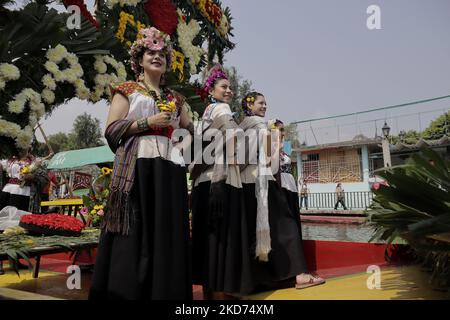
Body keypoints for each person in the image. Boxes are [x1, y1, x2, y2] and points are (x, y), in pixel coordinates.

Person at [88, 27, 192, 300]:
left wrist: (183, 141)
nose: (156, 57)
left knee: (167, 231)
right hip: (138, 167)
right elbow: (111, 130)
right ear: (139, 59)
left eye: (162, 54)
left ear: (168, 62)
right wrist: (148, 122)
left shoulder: (177, 99)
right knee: (135, 229)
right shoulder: (127, 90)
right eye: (150, 52)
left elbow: (190, 133)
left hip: (169, 168)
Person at [240, 92, 325, 290]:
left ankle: (261, 280)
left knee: (258, 232)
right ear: (250, 105)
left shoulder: (240, 128)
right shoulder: (264, 128)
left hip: (246, 185)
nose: (264, 106)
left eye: (265, 103)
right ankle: (301, 275)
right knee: (287, 227)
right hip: (264, 183)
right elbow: (272, 161)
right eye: (261, 103)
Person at [189, 64, 253, 299]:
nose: (229, 91)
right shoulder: (222, 109)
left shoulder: (204, 114)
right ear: (212, 90)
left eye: (231, 88)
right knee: (223, 238)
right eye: (224, 86)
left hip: (201, 182)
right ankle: (219, 294)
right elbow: (233, 134)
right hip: (221, 180)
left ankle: (210, 291)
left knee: (207, 238)